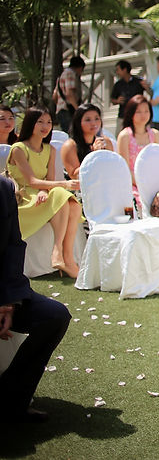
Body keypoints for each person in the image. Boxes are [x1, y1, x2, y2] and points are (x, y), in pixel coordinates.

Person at [0, 175, 71, 423]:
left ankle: (10, 397)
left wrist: (8, 303)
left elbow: (13, 247)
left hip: (4, 291)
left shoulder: (3, 188)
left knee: (55, 316)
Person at [6, 108, 82, 278]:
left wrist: (44, 191)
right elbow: (31, 181)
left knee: (75, 206)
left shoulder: (50, 149)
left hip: (42, 193)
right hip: (24, 198)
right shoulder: (19, 148)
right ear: (30, 123)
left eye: (49, 122)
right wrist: (64, 184)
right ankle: (58, 251)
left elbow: (48, 179)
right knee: (61, 193)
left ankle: (67, 258)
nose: (45, 126)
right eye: (40, 122)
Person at [115, 95, 159, 207]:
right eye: (138, 112)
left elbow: (158, 163)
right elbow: (125, 168)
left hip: (153, 182)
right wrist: (143, 184)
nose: (143, 115)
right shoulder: (125, 136)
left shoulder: (154, 134)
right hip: (132, 183)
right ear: (131, 113)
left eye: (146, 111)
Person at [61, 103, 115, 181]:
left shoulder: (105, 141)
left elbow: (111, 167)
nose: (93, 123)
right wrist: (95, 155)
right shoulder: (70, 145)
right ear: (78, 123)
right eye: (88, 120)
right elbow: (75, 176)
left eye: (97, 118)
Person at [109, 60, 150, 129]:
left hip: (137, 114)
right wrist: (117, 101)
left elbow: (151, 93)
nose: (117, 72)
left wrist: (147, 87)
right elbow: (112, 99)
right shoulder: (118, 84)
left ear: (124, 70)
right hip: (123, 115)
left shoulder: (138, 82)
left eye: (118, 70)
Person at [54, 55, 85, 133]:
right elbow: (69, 93)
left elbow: (54, 96)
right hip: (68, 110)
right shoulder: (70, 74)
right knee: (72, 134)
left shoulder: (62, 75)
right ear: (80, 67)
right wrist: (77, 109)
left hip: (60, 110)